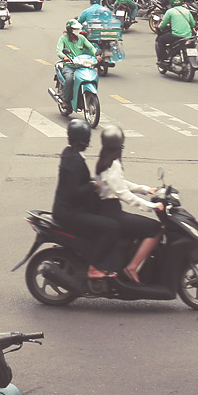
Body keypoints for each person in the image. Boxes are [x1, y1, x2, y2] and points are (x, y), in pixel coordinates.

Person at [91, 124, 164, 284]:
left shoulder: (104, 161)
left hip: (107, 211)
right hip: (112, 214)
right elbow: (123, 193)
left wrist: (146, 189)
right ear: (120, 146)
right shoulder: (113, 164)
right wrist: (150, 207)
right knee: (156, 229)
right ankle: (132, 267)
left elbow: (121, 184)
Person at [54, 119, 118, 279]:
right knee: (111, 227)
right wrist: (93, 185)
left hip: (67, 209)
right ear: (86, 140)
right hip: (70, 212)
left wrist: (91, 183)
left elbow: (75, 183)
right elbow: (75, 191)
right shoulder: (75, 161)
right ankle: (96, 267)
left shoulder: (69, 153)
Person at [155, 0, 196, 68]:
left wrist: (158, 27)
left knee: (160, 40)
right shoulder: (187, 11)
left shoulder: (170, 11)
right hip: (189, 35)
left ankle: (163, 59)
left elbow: (162, 25)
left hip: (176, 35)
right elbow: (193, 24)